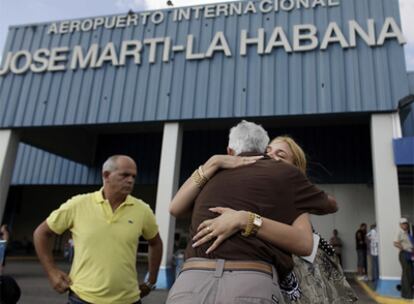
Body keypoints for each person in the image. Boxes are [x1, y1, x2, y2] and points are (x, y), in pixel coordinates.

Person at [167, 121, 337, 304]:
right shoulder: (219, 171)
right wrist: (214, 162)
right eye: (268, 151)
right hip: (246, 283)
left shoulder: (287, 181)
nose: (270, 157)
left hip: (190, 283)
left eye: (280, 155)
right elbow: (175, 208)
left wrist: (245, 219)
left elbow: (306, 241)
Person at [33, 155, 163, 304]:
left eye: (134, 176)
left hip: (129, 300)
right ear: (106, 175)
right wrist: (51, 272)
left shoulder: (143, 210)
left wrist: (151, 281)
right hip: (82, 298)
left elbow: (156, 243)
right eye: (125, 175)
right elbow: (41, 233)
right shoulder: (78, 205)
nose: (131, 180)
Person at [393, 217, 413, 299]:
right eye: (404, 224)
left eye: (406, 223)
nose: (405, 225)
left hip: (409, 254)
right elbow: (395, 243)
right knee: (406, 273)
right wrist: (403, 248)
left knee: (409, 273)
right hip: (404, 254)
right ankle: (407, 294)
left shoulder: (406, 232)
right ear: (400, 225)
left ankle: (405, 291)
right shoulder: (399, 232)